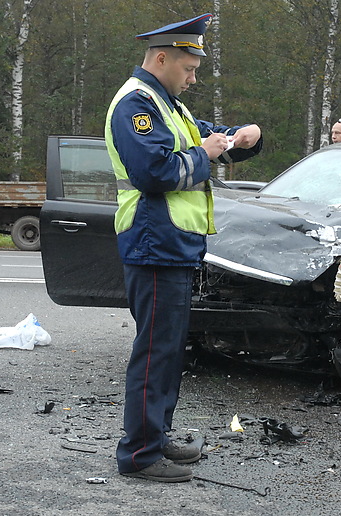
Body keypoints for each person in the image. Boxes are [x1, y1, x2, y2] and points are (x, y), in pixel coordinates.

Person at [104, 13, 262, 483]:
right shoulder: (137, 104)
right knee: (155, 353)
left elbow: (208, 143)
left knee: (168, 351)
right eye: (189, 68)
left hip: (173, 245)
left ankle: (158, 435)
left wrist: (242, 141)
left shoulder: (171, 107)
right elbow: (155, 173)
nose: (194, 78)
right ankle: (139, 455)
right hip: (154, 242)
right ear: (160, 58)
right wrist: (209, 153)